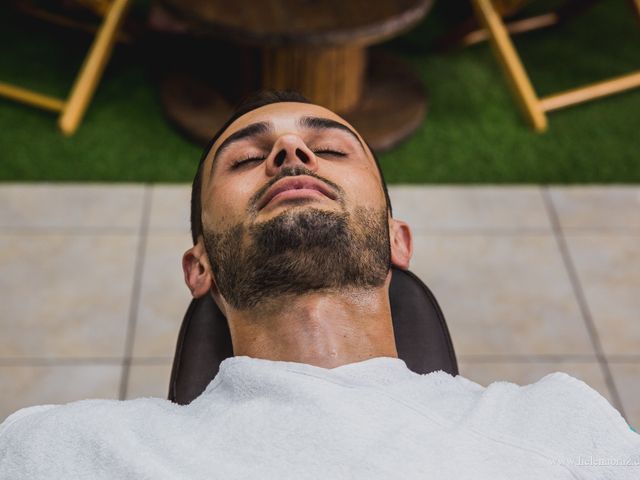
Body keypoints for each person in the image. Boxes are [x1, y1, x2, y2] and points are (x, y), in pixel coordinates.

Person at [1, 91, 638, 479]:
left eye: (329, 149)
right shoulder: (56, 450)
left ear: (398, 240)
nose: (290, 154)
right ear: (200, 267)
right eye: (249, 159)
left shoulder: (560, 428)